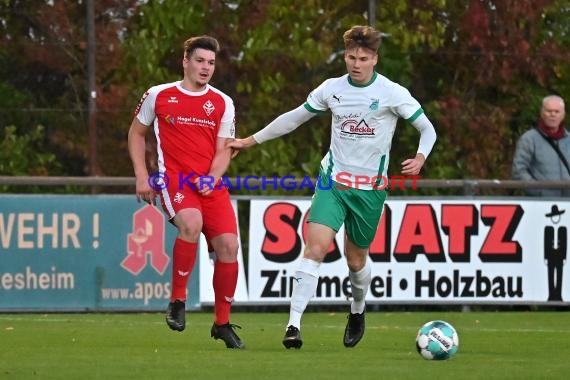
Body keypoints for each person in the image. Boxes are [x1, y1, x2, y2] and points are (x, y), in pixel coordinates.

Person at [228, 25, 437, 349]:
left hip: (370, 190)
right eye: (351, 57)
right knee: (316, 247)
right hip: (333, 182)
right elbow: (294, 118)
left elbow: (427, 129)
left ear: (374, 59)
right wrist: (250, 140)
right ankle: (293, 325)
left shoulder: (391, 93)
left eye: (363, 58)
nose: (356, 63)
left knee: (356, 261)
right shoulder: (332, 89)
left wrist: (421, 156)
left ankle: (357, 310)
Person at [127, 35, 244, 349]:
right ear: (185, 61)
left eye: (210, 62)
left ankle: (222, 323)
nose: (206, 67)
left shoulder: (222, 101)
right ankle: (178, 300)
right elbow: (136, 133)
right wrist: (142, 175)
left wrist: (212, 177)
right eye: (200, 60)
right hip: (175, 182)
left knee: (230, 246)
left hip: (211, 185)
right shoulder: (159, 95)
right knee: (190, 224)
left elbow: (225, 149)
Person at [512, 95, 570, 197]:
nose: (553, 114)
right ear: (542, 113)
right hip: (541, 204)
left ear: (563, 115)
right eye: (549, 111)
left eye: (557, 111)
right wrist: (538, 191)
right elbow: (519, 171)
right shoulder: (529, 139)